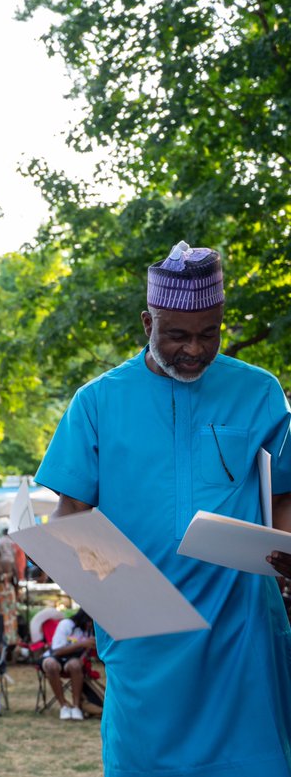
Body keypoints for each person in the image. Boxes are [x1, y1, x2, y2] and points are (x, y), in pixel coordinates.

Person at [37, 241, 291, 776]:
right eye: (177, 335)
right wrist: (116, 594)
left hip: (242, 630)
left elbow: (284, 494)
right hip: (143, 635)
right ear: (147, 322)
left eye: (209, 334)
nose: (195, 350)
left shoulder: (260, 392)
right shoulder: (97, 401)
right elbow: (71, 515)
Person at [40, 609, 95, 721]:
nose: (90, 624)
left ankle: (76, 707)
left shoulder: (90, 630)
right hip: (55, 656)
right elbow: (56, 651)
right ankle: (63, 706)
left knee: (75, 665)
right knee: (51, 665)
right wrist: (81, 644)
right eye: (89, 621)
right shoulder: (66, 624)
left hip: (73, 659)